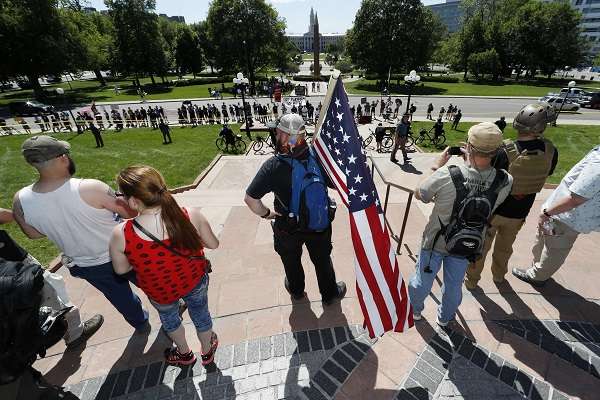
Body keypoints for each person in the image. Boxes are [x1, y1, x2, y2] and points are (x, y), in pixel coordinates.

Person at [13, 136, 149, 331]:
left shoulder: (20, 200)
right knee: (151, 282)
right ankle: (170, 306)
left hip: (86, 264)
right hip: (125, 252)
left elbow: (33, 234)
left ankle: (140, 323)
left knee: (120, 297)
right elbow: (131, 212)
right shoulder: (90, 187)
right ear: (62, 158)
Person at [109, 166, 220, 366]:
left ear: (134, 201)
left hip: (159, 289)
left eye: (121, 195)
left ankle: (184, 354)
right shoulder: (189, 214)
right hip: (194, 280)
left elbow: (121, 270)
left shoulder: (121, 233)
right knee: (201, 313)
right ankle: (206, 351)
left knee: (169, 319)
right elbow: (213, 244)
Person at [408, 123, 513, 327]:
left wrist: (435, 166)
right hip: (467, 243)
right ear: (497, 150)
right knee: (454, 285)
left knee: (422, 280)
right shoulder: (505, 180)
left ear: (469, 147)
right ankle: (445, 318)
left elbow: (421, 193)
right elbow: (485, 192)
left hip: (436, 240)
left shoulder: (447, 173)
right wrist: (471, 163)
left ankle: (415, 311)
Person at [244, 114, 346, 305]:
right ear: (302, 135)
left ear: (280, 134)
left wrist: (267, 214)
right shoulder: (318, 156)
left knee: (291, 261)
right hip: (318, 224)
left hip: (288, 226)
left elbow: (250, 199)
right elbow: (336, 183)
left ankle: (297, 290)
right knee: (322, 260)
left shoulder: (273, 166)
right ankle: (330, 293)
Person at [465, 103, 558, 289]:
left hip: (493, 212)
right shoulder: (550, 151)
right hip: (519, 213)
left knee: (481, 249)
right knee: (505, 249)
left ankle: (472, 281)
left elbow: (486, 179)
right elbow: (546, 174)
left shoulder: (504, 151)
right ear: (541, 127)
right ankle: (499, 277)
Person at [1, 209, 103, 348]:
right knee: (50, 290)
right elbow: (6, 216)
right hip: (15, 265)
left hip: (8, 270)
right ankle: (75, 332)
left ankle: (22, 352)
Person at [511, 146, 599, 287]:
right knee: (546, 240)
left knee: (555, 248)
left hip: (567, 215)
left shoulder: (598, 165)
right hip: (564, 213)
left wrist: (547, 213)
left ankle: (538, 276)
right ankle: (538, 268)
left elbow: (576, 198)